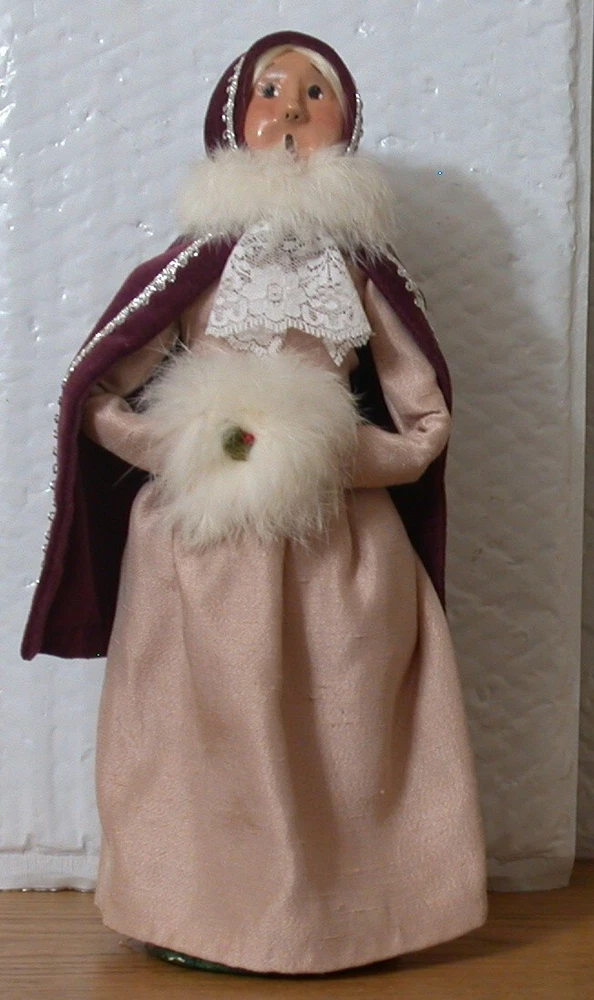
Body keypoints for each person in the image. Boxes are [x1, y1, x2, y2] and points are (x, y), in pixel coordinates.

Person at [22, 31, 487, 975]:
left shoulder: (361, 276)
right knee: (200, 733)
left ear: (347, 128)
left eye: (319, 93)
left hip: (335, 547)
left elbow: (426, 420)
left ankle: (355, 918)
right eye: (272, 90)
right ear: (233, 120)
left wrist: (331, 455)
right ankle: (196, 913)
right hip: (208, 548)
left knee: (346, 731)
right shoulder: (194, 268)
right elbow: (99, 394)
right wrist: (191, 445)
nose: (294, 111)